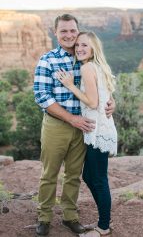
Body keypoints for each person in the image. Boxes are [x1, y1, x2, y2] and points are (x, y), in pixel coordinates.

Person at [33, 14, 115, 236]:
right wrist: (71, 119)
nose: (69, 35)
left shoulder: (85, 59)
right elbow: (41, 96)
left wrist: (111, 102)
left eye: (72, 31)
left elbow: (100, 87)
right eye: (63, 31)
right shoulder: (48, 60)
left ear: (78, 32)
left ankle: (70, 216)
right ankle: (44, 216)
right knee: (49, 173)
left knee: (73, 175)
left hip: (83, 127)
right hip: (57, 125)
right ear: (55, 33)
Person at [56, 31, 117, 236]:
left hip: (98, 130)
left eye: (85, 46)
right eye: (78, 45)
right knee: (90, 176)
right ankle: (103, 220)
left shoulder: (88, 67)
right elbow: (106, 95)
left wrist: (70, 84)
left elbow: (92, 102)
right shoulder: (98, 66)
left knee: (98, 179)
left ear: (93, 49)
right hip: (98, 128)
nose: (80, 49)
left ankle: (103, 227)